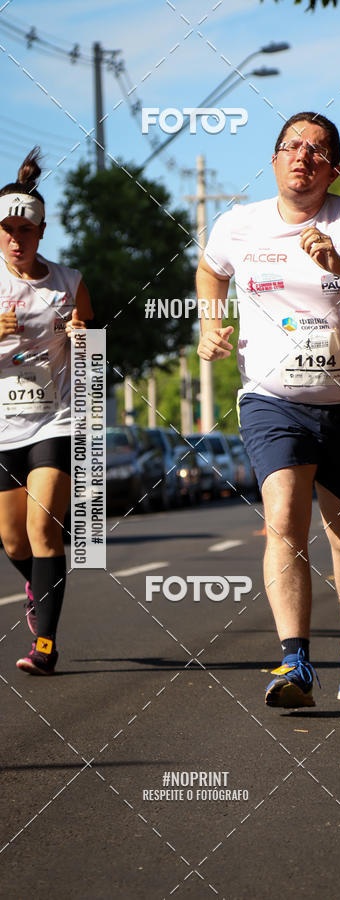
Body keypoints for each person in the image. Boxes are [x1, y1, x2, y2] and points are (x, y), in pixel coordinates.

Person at [197, 112, 340, 707]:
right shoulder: (239, 224)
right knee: (283, 520)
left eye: (319, 150)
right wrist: (211, 324)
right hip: (273, 403)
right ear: (273, 160)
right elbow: (209, 270)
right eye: (292, 146)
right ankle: (294, 663)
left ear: (334, 168)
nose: (304, 156)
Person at [0, 148, 94, 674]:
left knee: (43, 530)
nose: (16, 239)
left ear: (42, 232)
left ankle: (46, 647)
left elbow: (94, 352)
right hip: (1, 426)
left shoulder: (69, 282)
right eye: (7, 229)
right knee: (12, 539)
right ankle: (38, 585)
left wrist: (84, 340)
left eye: (26, 230)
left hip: (54, 419)